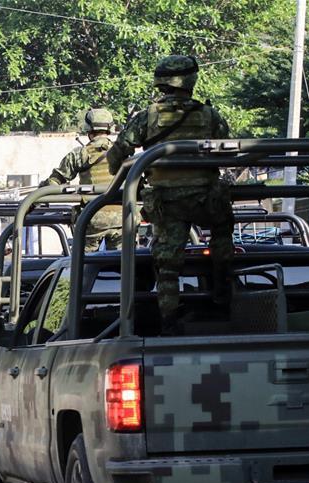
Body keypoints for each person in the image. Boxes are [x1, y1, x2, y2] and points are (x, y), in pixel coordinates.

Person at [107, 55, 233, 329]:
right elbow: (228, 150)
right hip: (205, 199)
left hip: (167, 202)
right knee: (223, 234)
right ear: (191, 81)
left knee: (167, 265)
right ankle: (224, 296)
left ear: (161, 82)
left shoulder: (147, 117)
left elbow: (117, 156)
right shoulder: (209, 115)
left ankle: (170, 323)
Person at [40, 108, 122, 252]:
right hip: (123, 218)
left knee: (84, 264)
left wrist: (39, 193)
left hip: (93, 216)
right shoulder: (121, 152)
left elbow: (55, 181)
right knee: (124, 264)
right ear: (109, 128)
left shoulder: (81, 153)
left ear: (89, 130)